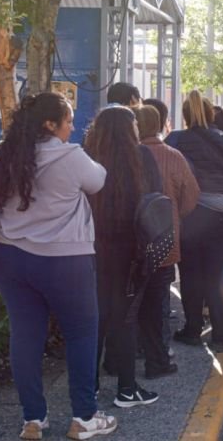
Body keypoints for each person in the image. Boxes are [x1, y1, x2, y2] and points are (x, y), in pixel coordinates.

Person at [0, 92, 115, 440]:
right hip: (65, 260)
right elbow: (99, 180)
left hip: (9, 257)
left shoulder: (2, 153)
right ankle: (84, 418)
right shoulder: (71, 156)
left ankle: (33, 419)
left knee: (25, 335)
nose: (72, 127)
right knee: (81, 333)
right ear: (50, 124)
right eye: (68, 121)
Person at [165, 91, 223, 352]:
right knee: (221, 276)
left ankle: (192, 330)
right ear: (211, 115)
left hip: (190, 216)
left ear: (184, 115)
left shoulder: (174, 140)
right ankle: (220, 336)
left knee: (191, 274)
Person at [84, 106, 160, 409]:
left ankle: (87, 386)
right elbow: (156, 200)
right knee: (126, 318)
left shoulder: (85, 157)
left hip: (90, 249)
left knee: (93, 319)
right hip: (131, 250)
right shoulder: (142, 158)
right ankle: (127, 389)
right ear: (132, 130)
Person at [133, 105, 199, 379]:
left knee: (131, 301)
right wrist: (173, 218)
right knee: (159, 304)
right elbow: (191, 196)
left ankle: (129, 353)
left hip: (130, 243)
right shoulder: (174, 157)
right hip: (163, 241)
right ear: (160, 125)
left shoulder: (127, 157)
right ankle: (157, 359)